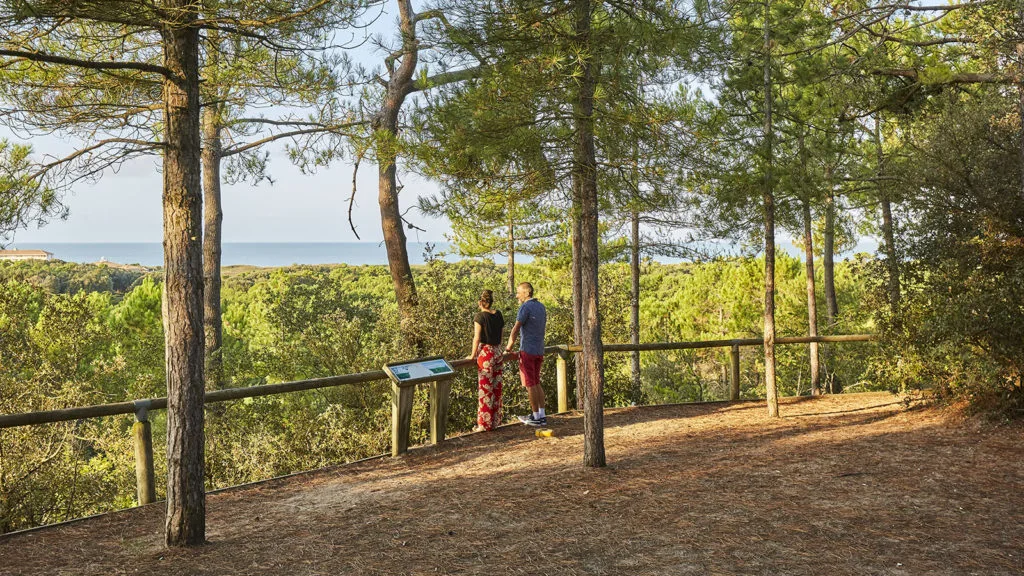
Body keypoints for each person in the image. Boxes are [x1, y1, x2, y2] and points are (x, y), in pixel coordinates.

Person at [505, 281, 547, 426]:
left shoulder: (525, 307)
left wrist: (508, 347)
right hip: (539, 349)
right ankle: (541, 415)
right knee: (536, 382)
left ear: (527, 293)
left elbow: (516, 328)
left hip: (528, 350)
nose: (517, 295)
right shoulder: (541, 307)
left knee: (530, 384)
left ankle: (535, 417)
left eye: (518, 292)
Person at [468, 289, 505, 432]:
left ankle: (484, 424)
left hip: (486, 353)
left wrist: (472, 356)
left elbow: (476, 337)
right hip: (497, 351)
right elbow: (501, 334)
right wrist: (498, 347)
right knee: (496, 387)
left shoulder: (480, 317)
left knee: (485, 388)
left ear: (480, 302)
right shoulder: (499, 315)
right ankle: (495, 421)